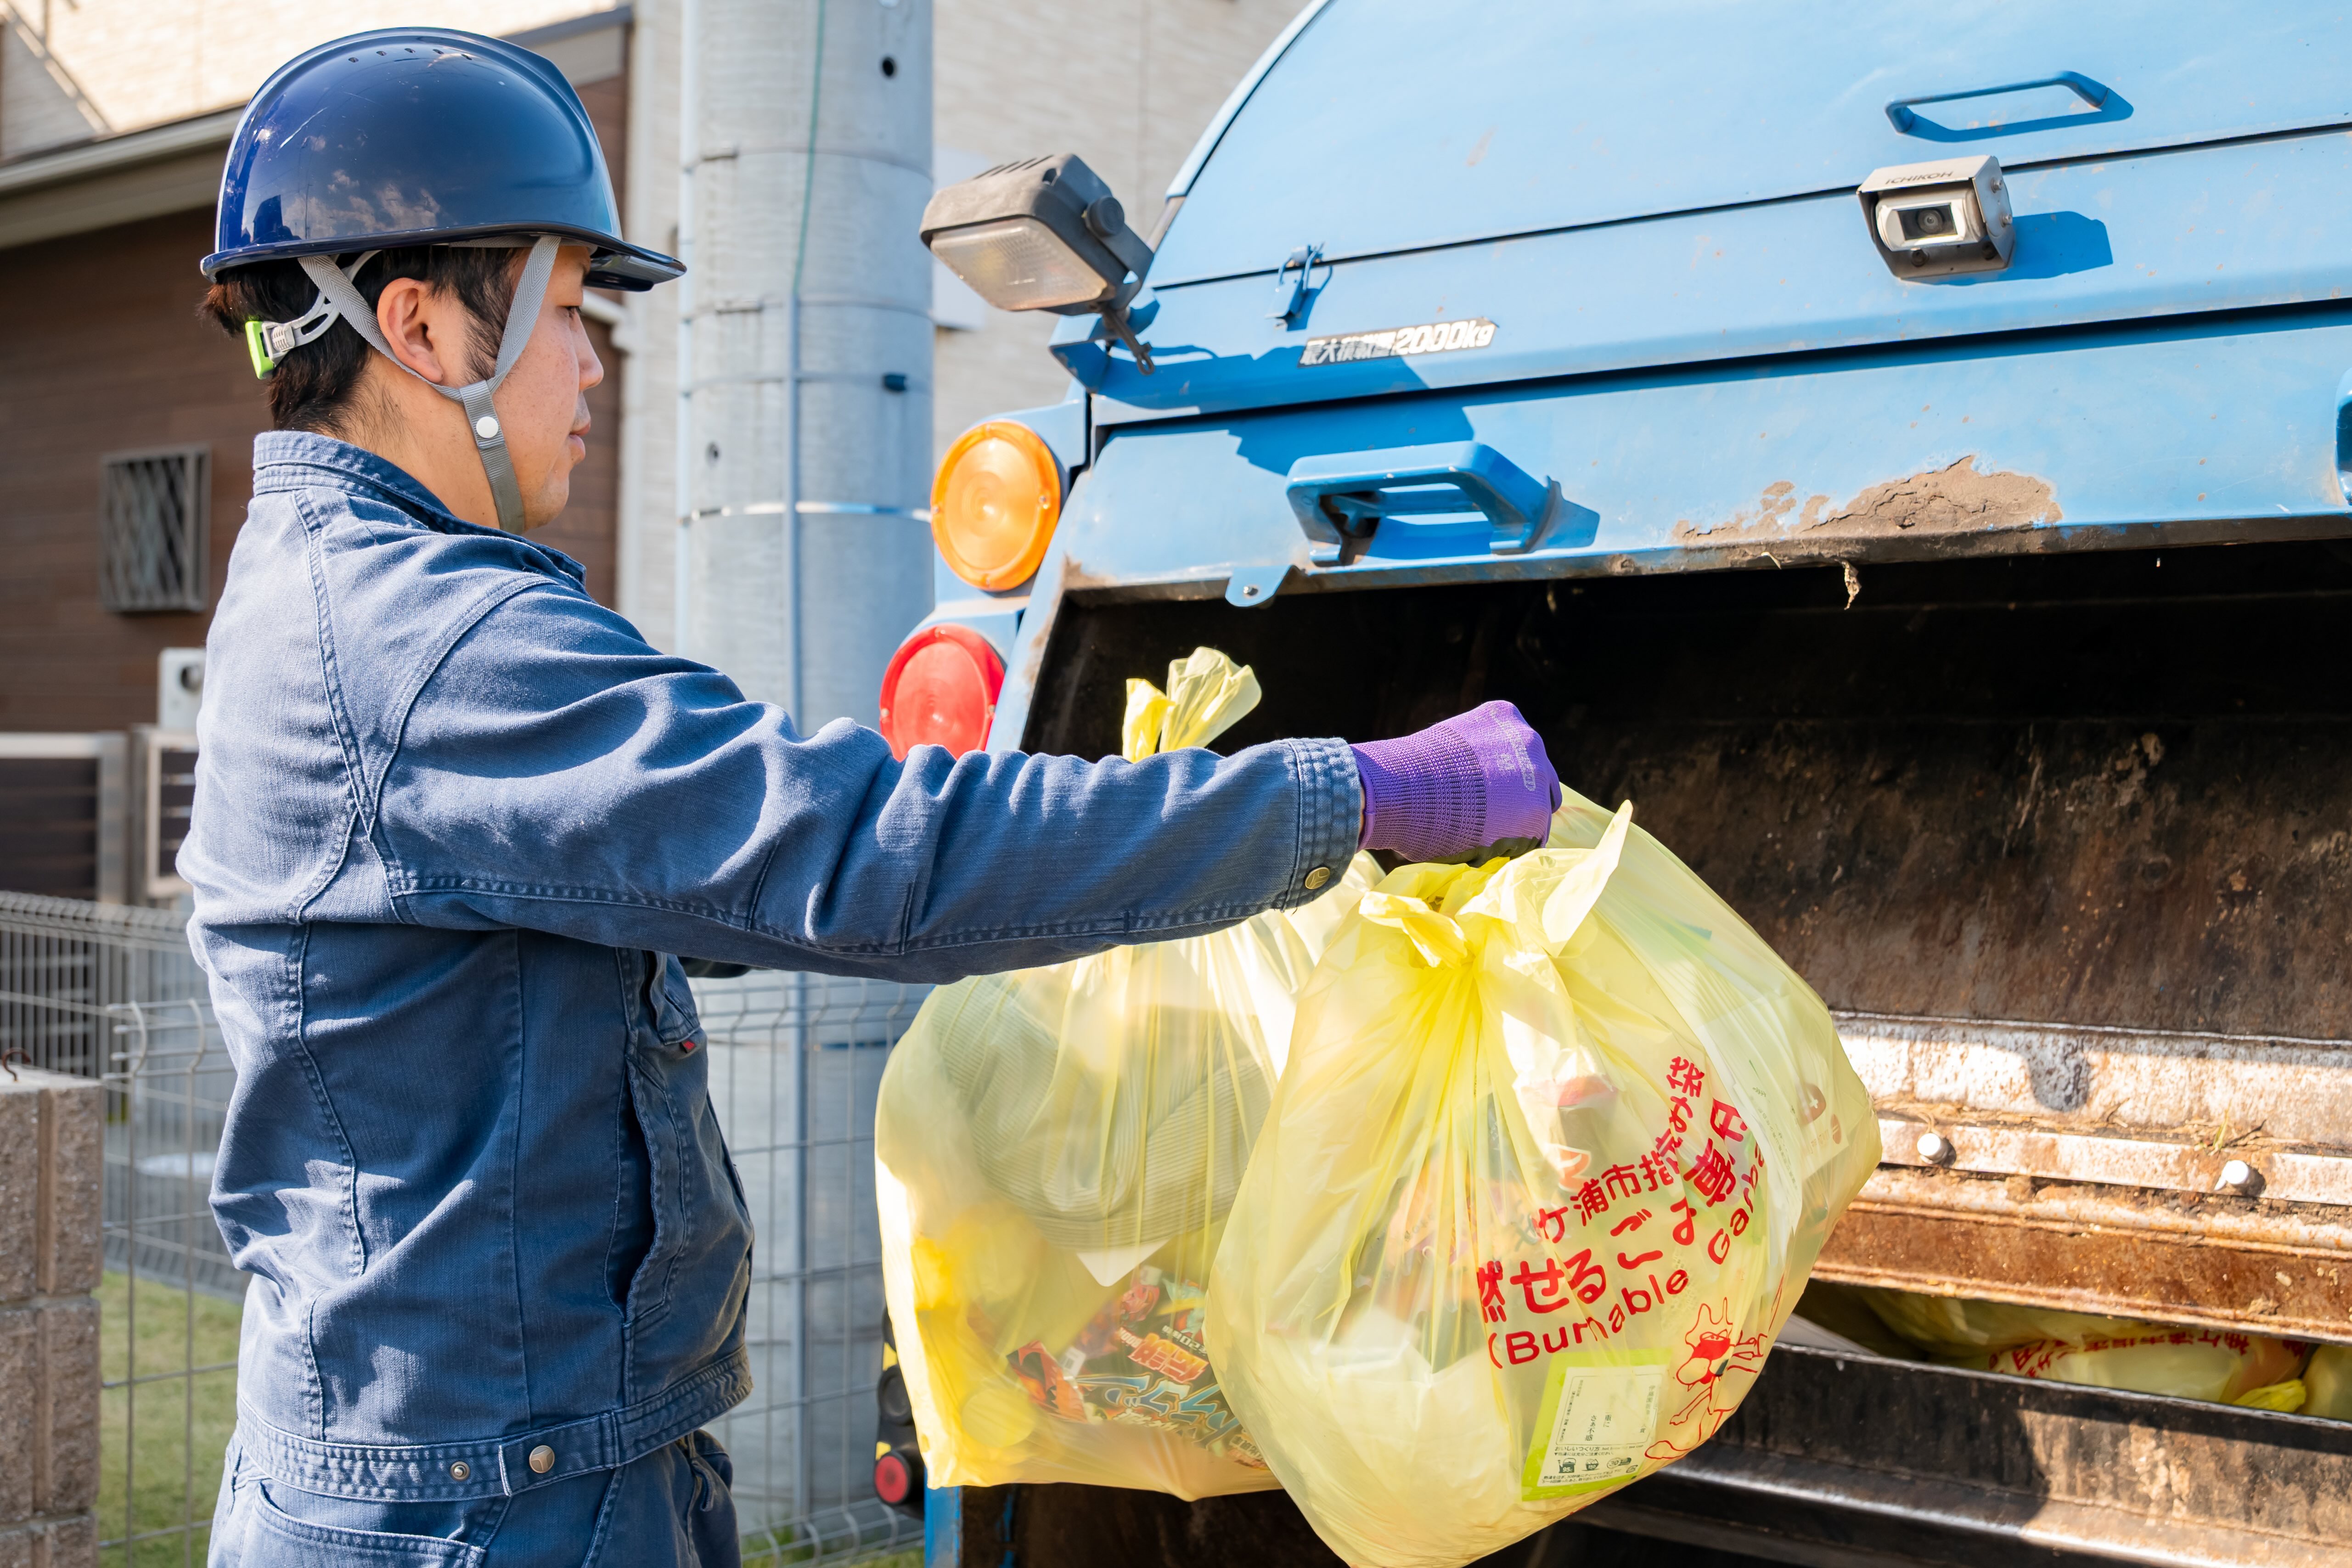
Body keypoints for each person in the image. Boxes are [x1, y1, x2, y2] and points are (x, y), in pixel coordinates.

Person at [183, 28, 1560, 1568]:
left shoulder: (317, 588)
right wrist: (1349, 794)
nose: (594, 362)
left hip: (457, 1465)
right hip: (490, 1509)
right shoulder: (437, 643)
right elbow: (874, 852)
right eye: (570, 312)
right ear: (423, 326)